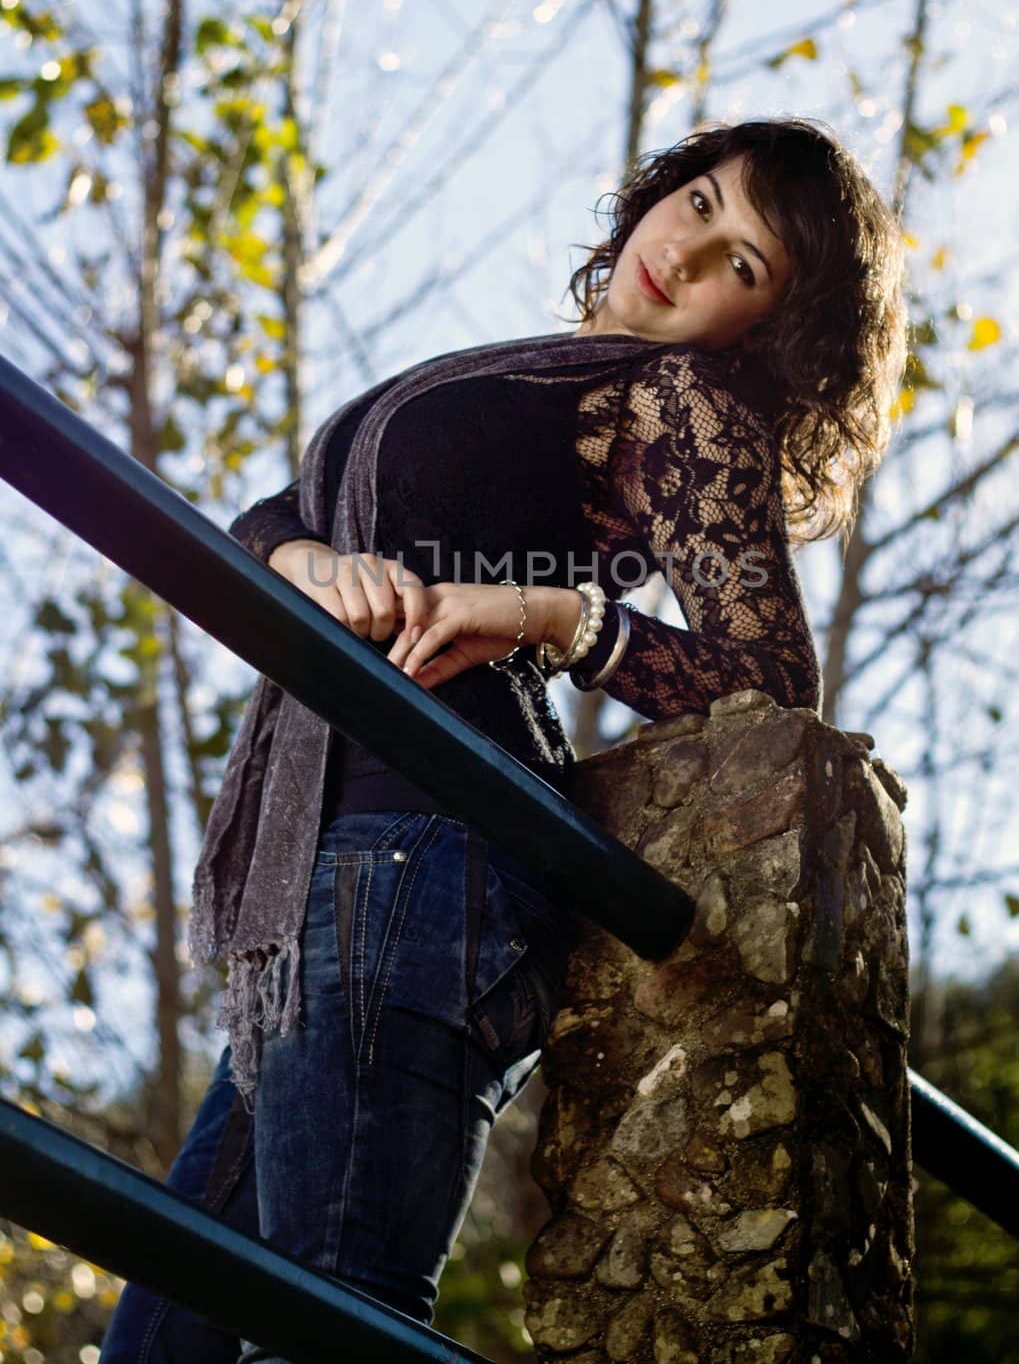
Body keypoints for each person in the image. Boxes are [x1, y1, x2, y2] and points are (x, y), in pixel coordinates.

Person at [99, 117, 908, 1361]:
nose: (687, 257)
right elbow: (281, 514)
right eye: (697, 203)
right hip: (336, 872)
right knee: (169, 1339)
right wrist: (310, 560)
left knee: (329, 1321)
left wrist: (551, 618)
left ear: (765, 325)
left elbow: (769, 673)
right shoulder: (539, 371)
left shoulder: (674, 399)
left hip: (424, 853)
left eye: (741, 266)